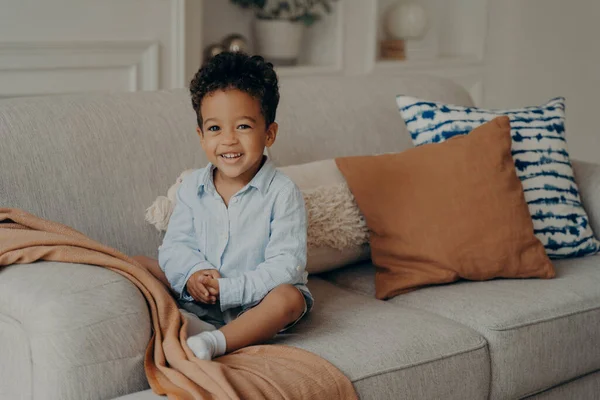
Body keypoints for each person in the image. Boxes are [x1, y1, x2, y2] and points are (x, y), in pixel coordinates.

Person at [154, 51, 312, 360]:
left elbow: (285, 265)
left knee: (289, 297)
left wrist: (229, 290)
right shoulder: (191, 188)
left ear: (269, 133)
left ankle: (215, 342)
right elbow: (176, 245)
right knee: (142, 265)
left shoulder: (282, 193)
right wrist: (193, 275)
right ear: (201, 136)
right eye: (215, 129)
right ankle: (188, 322)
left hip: (258, 303)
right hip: (200, 298)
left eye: (242, 126)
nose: (228, 140)